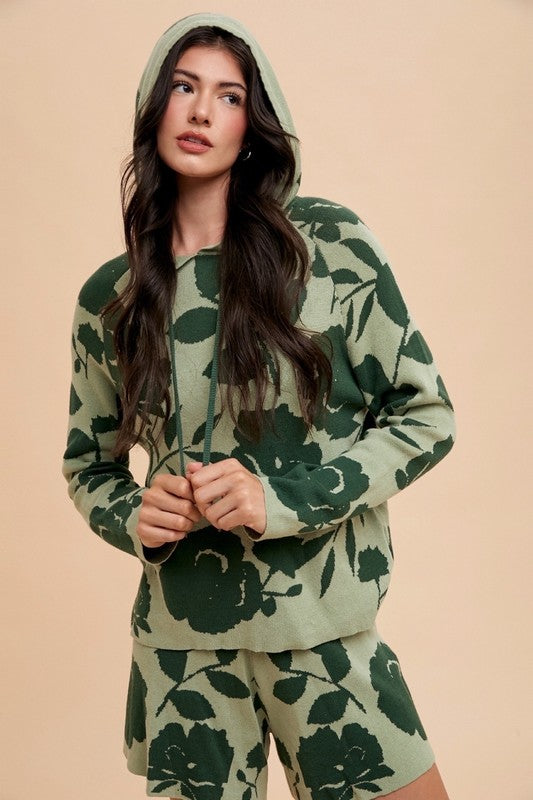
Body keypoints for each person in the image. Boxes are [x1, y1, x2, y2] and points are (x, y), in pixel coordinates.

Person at [63, 12, 455, 800]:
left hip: (321, 630)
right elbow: (87, 467)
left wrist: (280, 500)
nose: (202, 111)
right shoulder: (112, 297)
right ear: (154, 106)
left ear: (254, 124)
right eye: (184, 87)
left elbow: (424, 417)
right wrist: (135, 513)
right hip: (183, 649)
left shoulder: (329, 248)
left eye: (229, 95)